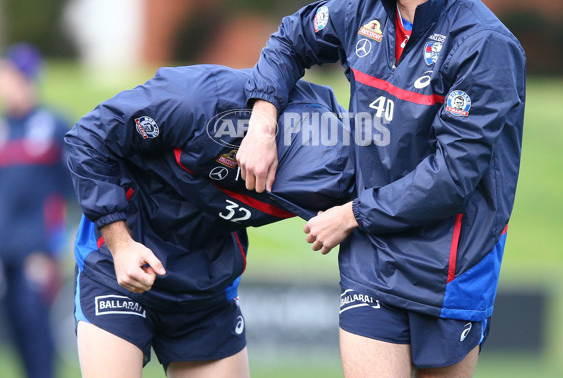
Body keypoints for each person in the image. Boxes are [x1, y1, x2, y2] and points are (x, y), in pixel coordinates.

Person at [236, 0, 526, 378]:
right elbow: (290, 39)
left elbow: (454, 175)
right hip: (371, 258)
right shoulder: (363, 4)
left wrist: (350, 213)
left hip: (452, 265)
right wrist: (261, 126)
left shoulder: (484, 45)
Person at [65, 64, 354, 378]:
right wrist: (120, 245)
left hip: (207, 286)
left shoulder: (345, 162)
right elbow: (89, 138)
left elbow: (396, 198)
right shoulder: (193, 101)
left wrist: (351, 215)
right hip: (119, 268)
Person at [0, 43, 73, 378]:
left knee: (37, 336)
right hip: (5, 253)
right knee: (14, 336)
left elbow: (74, 194)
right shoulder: (3, 130)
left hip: (37, 252)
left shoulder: (53, 127)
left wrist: (55, 248)